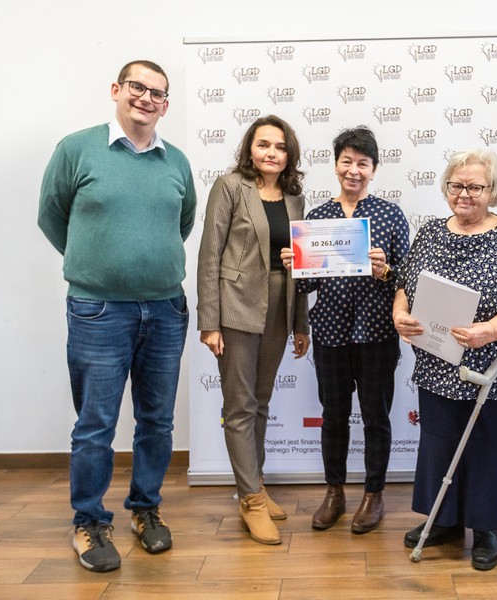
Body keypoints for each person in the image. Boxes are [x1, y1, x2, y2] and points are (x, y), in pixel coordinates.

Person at [38, 60, 196, 572]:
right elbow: (51, 215)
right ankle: (88, 521)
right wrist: (95, 264)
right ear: (116, 90)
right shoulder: (77, 149)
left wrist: (144, 261)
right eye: (137, 87)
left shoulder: (176, 161)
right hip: (98, 310)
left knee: (157, 421)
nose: (146, 98)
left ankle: (146, 509)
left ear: (165, 105)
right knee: (96, 424)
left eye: (157, 93)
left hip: (166, 308)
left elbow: (182, 222)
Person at [393, 149, 497, 571]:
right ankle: (443, 521)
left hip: (495, 370)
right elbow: (404, 283)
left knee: (488, 448)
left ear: (492, 190)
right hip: (437, 364)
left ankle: (486, 528)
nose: (464, 193)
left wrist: (489, 331)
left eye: (475, 187)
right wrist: (399, 313)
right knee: (440, 443)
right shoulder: (429, 232)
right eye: (456, 185)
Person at [281, 126, 409, 535]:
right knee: (333, 416)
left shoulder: (390, 215)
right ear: (336, 165)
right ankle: (334, 492)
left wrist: (385, 270)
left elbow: (407, 280)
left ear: (374, 169)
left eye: (363, 163)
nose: (354, 170)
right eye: (347, 161)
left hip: (377, 333)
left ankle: (374, 495)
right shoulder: (317, 218)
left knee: (376, 417)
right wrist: (295, 267)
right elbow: (307, 287)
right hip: (331, 332)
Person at [197, 115, 310, 546]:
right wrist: (210, 321)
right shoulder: (229, 187)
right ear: (250, 149)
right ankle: (250, 500)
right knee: (240, 407)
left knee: (261, 403)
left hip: (280, 308)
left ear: (289, 155)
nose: (271, 153)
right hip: (237, 307)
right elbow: (210, 254)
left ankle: (255, 484)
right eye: (263, 144)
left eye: (280, 147)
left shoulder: (295, 198)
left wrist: (300, 323)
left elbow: (301, 265)